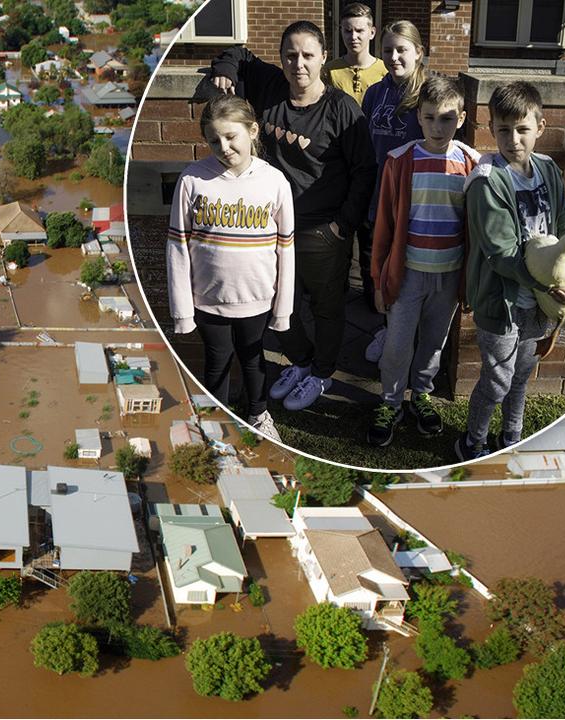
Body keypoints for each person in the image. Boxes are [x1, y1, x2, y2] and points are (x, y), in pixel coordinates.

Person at [210, 21, 376, 412]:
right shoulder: (270, 88)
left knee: (326, 306)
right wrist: (226, 72)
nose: (297, 63)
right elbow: (239, 53)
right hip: (269, 228)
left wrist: (342, 225)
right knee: (274, 300)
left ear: (322, 59)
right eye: (290, 54)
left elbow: (365, 169)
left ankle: (322, 371)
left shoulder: (341, 109)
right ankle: (301, 362)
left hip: (322, 230)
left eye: (307, 55)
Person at [457, 81, 565, 461]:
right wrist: (549, 286)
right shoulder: (487, 181)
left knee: (522, 374)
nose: (513, 139)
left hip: (540, 303)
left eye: (522, 129)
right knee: (498, 380)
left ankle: (511, 436)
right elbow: (501, 253)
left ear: (541, 127)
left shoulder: (548, 170)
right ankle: (473, 442)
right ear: (491, 127)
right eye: (503, 129)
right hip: (503, 303)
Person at [167, 95, 295, 442]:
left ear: (252, 131)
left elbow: (286, 250)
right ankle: (215, 425)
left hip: (256, 299)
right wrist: (183, 312)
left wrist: (283, 310)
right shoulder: (193, 180)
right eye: (213, 140)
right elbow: (177, 248)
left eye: (231, 136)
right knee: (216, 362)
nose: (223, 147)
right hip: (208, 301)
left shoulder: (275, 182)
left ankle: (258, 413)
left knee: (254, 360)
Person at [367, 75, 479, 447]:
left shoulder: (472, 165)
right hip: (408, 274)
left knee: (434, 341)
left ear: (461, 119)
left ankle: (423, 394)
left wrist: (471, 283)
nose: (437, 126)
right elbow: (383, 225)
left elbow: (477, 231)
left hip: (448, 276)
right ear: (418, 116)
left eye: (446, 119)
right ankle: (390, 402)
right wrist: (379, 278)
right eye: (430, 117)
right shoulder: (399, 161)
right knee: (398, 344)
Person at [360, 20, 430, 326]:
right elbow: (365, 145)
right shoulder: (375, 93)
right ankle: (383, 329)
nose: (394, 57)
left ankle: (404, 333)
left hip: (416, 198)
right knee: (379, 264)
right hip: (379, 192)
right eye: (387, 50)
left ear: (418, 52)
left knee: (409, 270)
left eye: (402, 49)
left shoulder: (428, 94)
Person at [322, 3, 386, 107]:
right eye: (348, 31)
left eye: (359, 31)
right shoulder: (328, 71)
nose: (353, 37)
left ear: (372, 33)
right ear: (341, 31)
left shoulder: (385, 71)